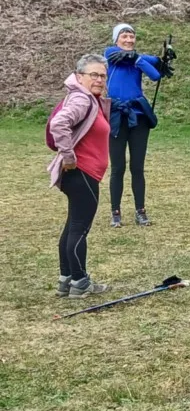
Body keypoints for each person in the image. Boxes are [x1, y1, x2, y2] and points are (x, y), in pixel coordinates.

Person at [48, 54, 113, 298]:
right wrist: (69, 157)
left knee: (72, 226)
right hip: (81, 173)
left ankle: (66, 280)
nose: (99, 80)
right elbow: (59, 124)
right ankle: (80, 282)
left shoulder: (89, 99)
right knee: (79, 228)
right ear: (79, 76)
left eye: (103, 76)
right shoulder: (82, 99)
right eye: (93, 75)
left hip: (83, 174)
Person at [105, 23, 167, 227]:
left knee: (137, 167)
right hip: (116, 116)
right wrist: (143, 59)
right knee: (118, 167)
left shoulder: (136, 59)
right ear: (116, 39)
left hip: (138, 117)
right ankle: (115, 212)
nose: (129, 40)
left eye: (132, 36)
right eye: (124, 36)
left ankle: (141, 211)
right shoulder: (110, 54)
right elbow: (112, 54)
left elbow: (156, 75)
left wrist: (160, 60)